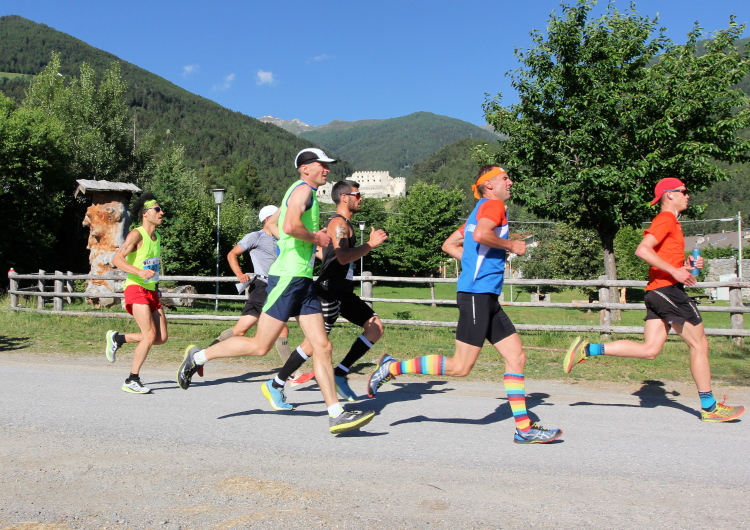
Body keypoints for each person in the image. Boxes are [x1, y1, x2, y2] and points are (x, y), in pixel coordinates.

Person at [177, 148, 376, 434]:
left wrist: (296, 242)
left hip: (303, 280)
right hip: (287, 279)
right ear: (305, 168)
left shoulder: (300, 192)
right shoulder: (303, 190)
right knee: (260, 346)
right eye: (322, 165)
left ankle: (336, 414)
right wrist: (314, 237)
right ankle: (197, 357)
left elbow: (274, 224)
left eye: (328, 165)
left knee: (322, 347)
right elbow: (291, 225)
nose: (327, 170)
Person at [366, 165, 563, 444]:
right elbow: (481, 236)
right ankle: (392, 368)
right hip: (476, 295)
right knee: (460, 367)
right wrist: (511, 246)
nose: (510, 182)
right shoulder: (493, 206)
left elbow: (449, 245)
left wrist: (473, 261)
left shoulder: (478, 211)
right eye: (505, 178)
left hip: (485, 296)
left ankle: (524, 429)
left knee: (516, 357)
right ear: (489, 185)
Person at [565, 178, 745, 423]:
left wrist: (685, 266)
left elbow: (663, 259)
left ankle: (588, 349)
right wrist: (675, 272)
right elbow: (642, 250)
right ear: (670, 195)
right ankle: (710, 408)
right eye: (683, 191)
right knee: (700, 345)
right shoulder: (666, 219)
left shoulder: (672, 222)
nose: (688, 195)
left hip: (657, 291)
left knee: (650, 350)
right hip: (667, 291)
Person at [268, 179, 388, 402]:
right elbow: (342, 257)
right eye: (357, 195)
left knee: (375, 328)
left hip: (343, 292)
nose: (361, 198)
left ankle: (340, 373)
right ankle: (277, 383)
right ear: (344, 198)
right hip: (328, 292)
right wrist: (370, 244)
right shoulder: (337, 223)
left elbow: (331, 255)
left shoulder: (346, 224)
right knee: (312, 345)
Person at [208, 204, 300, 379]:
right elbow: (232, 254)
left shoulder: (282, 239)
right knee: (282, 329)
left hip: (276, 287)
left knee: (240, 330)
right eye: (278, 216)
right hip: (262, 287)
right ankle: (293, 373)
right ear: (268, 219)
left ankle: (199, 356)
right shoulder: (255, 237)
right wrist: (239, 273)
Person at [105, 193, 168, 394]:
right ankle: (132, 379)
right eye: (157, 209)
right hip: (135, 288)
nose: (161, 212)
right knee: (149, 335)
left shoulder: (157, 237)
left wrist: (154, 285)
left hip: (151, 290)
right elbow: (117, 259)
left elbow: (151, 266)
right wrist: (139, 272)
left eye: (161, 209)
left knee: (160, 338)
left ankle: (118, 339)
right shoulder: (136, 234)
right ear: (145, 213)